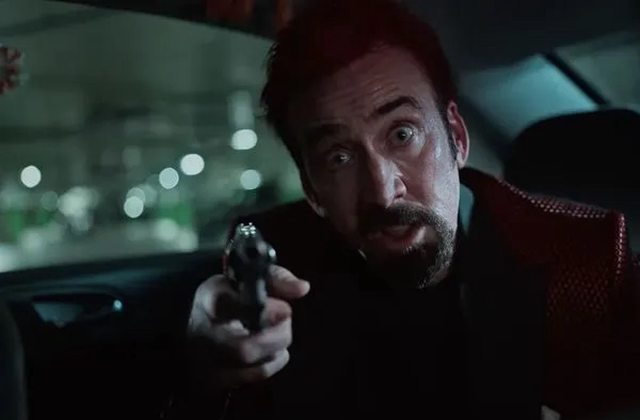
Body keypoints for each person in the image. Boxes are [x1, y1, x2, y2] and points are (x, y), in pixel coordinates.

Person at [177, 0, 640, 418]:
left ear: (456, 138)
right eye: (339, 158)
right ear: (312, 191)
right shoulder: (276, 264)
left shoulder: (587, 258)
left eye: (402, 135)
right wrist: (209, 376)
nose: (382, 193)